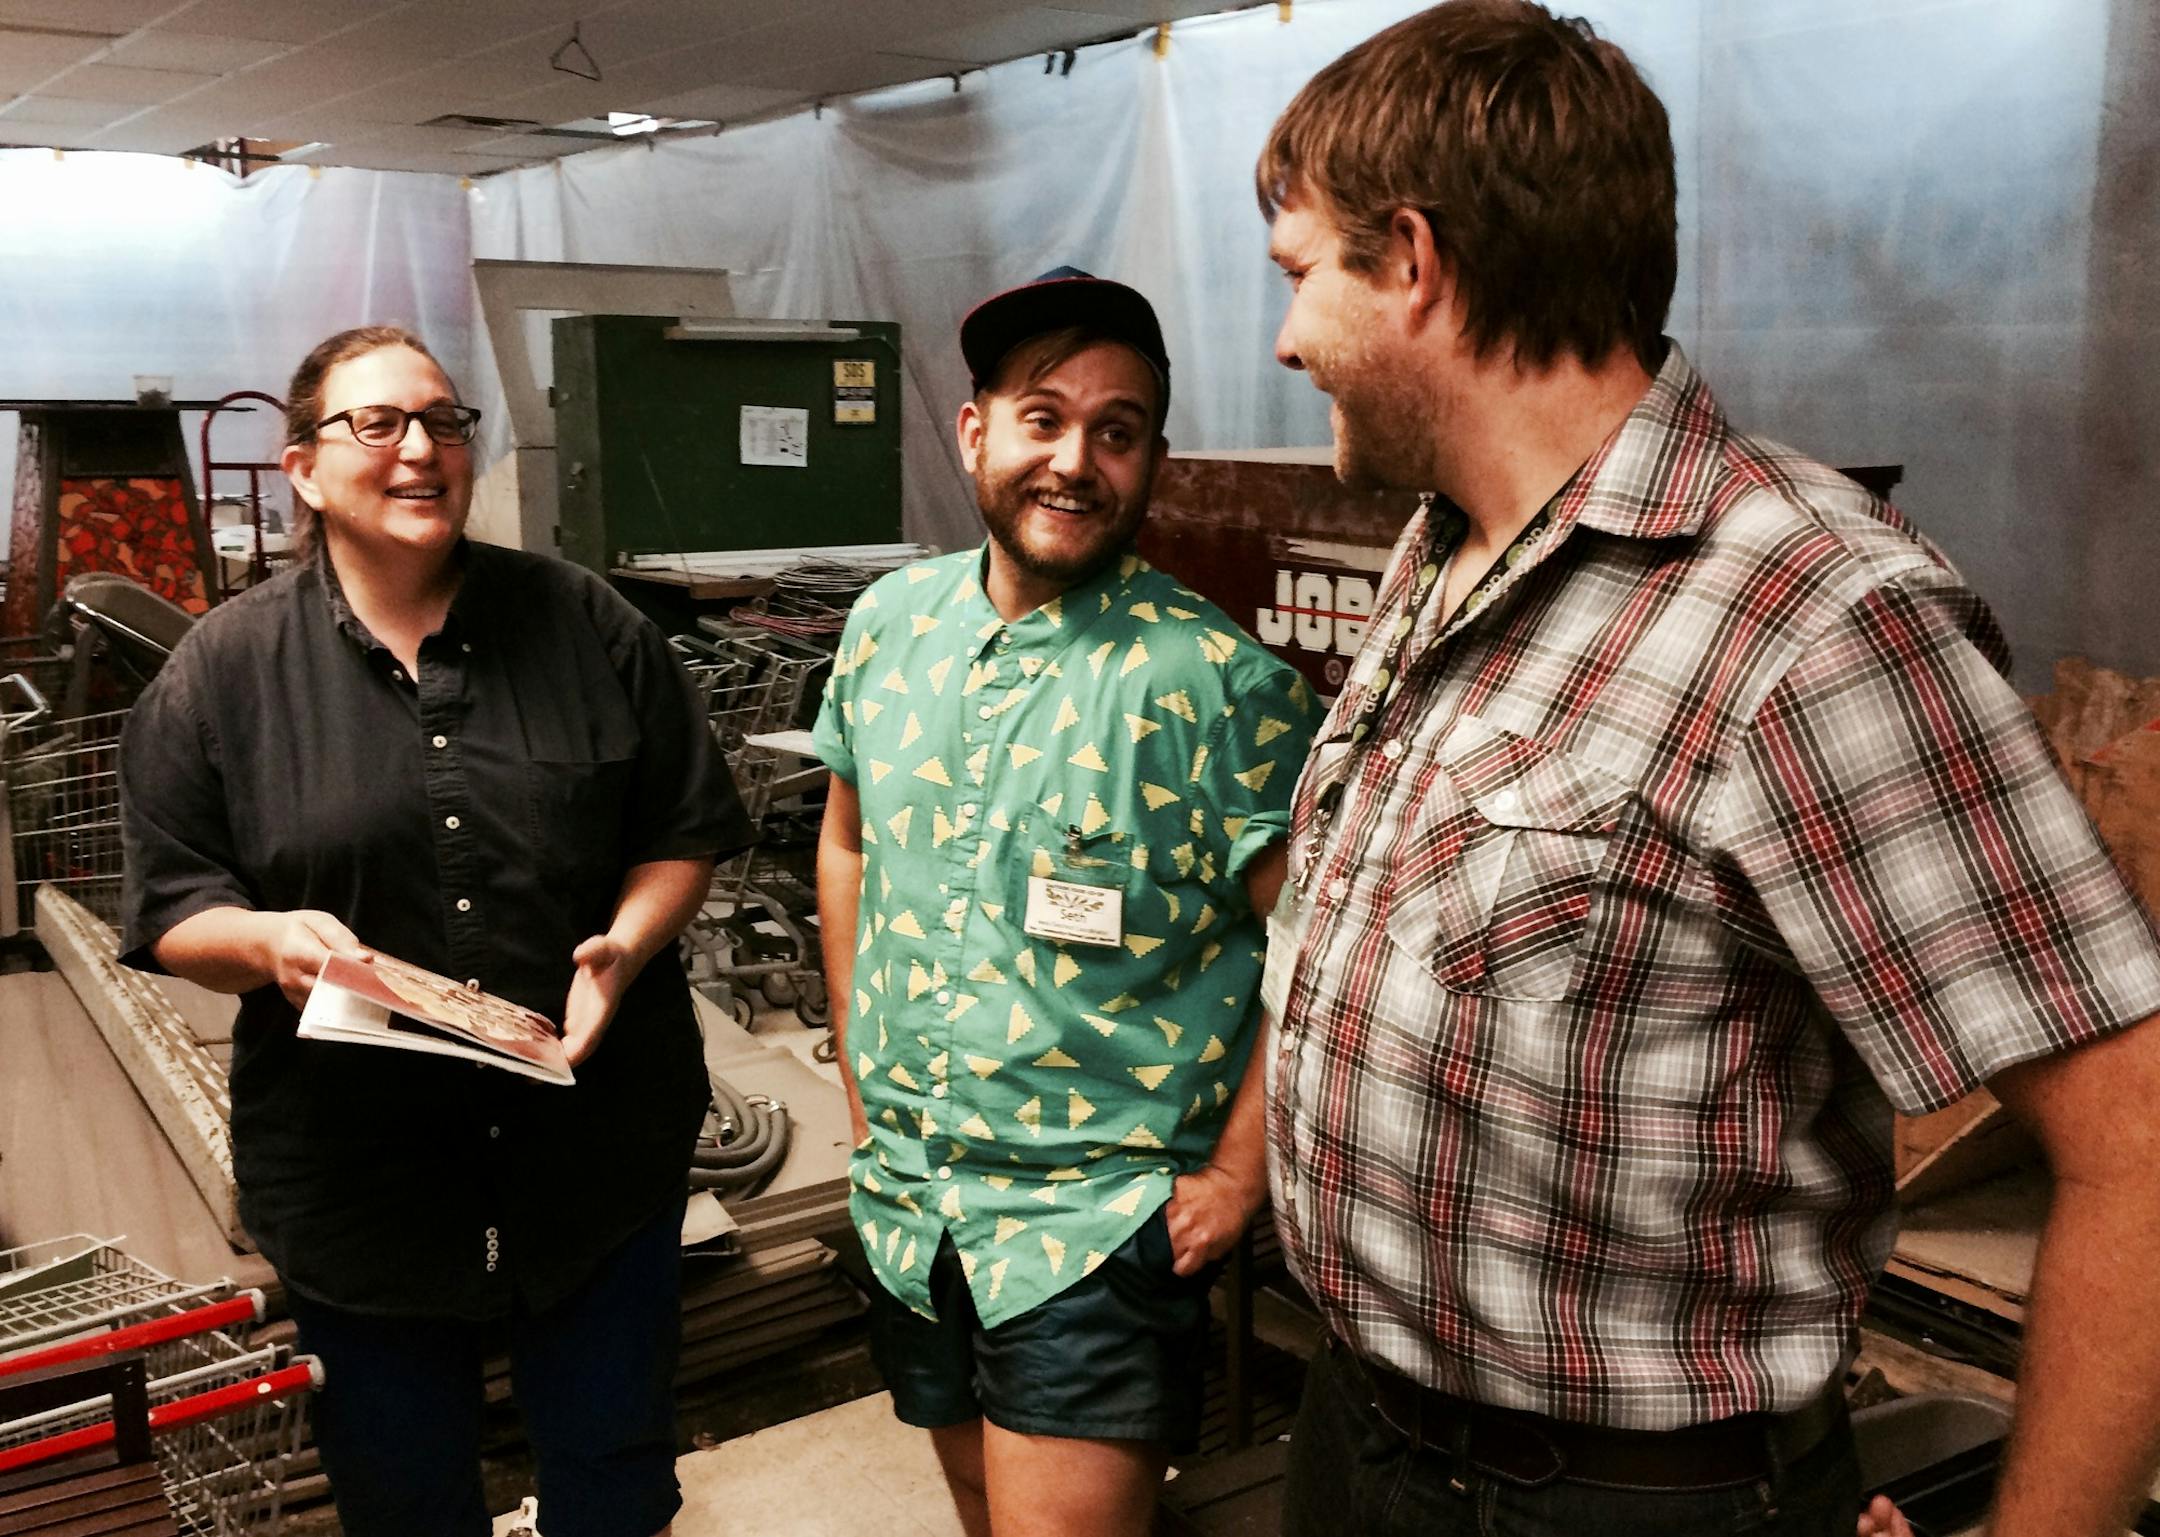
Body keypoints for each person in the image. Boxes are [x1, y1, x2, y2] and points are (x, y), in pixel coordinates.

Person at [1251, 6, 2160, 1536]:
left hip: (1618, 1500)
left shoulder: (1811, 621)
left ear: (1413, 261)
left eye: (1302, 276)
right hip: (1367, 1435)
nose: (1285, 340)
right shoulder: (1446, 547)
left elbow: (2135, 1142)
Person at [117, 325, 748, 1537]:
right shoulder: (223, 675)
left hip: (594, 1150)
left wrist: (626, 941)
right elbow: (172, 907)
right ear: (303, 468)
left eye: (444, 422)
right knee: (405, 1499)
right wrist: (265, 944)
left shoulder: (588, 625)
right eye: (378, 423)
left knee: (614, 1478)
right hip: (362, 1176)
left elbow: (684, 830)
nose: (420, 449)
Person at [811, 269, 1322, 1536]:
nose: (1075, 460)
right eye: (1044, 417)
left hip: (1085, 1229)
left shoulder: (1214, 683)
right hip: (910, 1205)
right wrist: (861, 1065)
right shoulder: (890, 625)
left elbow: (1319, 944)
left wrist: (1240, 1171)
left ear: (1152, 458)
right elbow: (849, 841)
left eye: (1118, 429)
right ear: (975, 429)